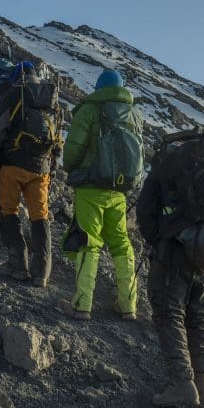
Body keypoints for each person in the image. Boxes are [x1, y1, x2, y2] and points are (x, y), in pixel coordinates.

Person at [136, 130, 204, 408]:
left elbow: (145, 207)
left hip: (176, 250)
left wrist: (157, 239)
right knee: (200, 316)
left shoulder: (172, 160)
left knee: (169, 312)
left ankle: (181, 382)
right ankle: (203, 385)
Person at [58, 69, 142, 321]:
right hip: (119, 191)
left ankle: (82, 304)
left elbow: (73, 149)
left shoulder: (90, 109)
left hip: (91, 187)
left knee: (89, 242)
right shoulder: (134, 115)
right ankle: (128, 305)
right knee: (120, 243)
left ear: (98, 87)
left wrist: (72, 169)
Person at [0, 61, 62, 286]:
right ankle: (42, 273)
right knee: (40, 216)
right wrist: (51, 169)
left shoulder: (15, 94)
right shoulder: (52, 100)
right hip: (41, 170)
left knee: (9, 211)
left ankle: (18, 266)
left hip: (13, 165)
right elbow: (57, 142)